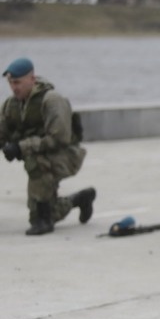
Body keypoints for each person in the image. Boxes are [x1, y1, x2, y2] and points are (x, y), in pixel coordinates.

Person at [1, 57, 96, 235]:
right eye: (11, 83)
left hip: (66, 155)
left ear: (32, 79)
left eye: (18, 82)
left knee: (35, 161)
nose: (14, 87)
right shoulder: (10, 105)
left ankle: (44, 221)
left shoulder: (52, 100)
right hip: (41, 157)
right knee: (39, 211)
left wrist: (21, 147)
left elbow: (58, 138)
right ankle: (80, 199)